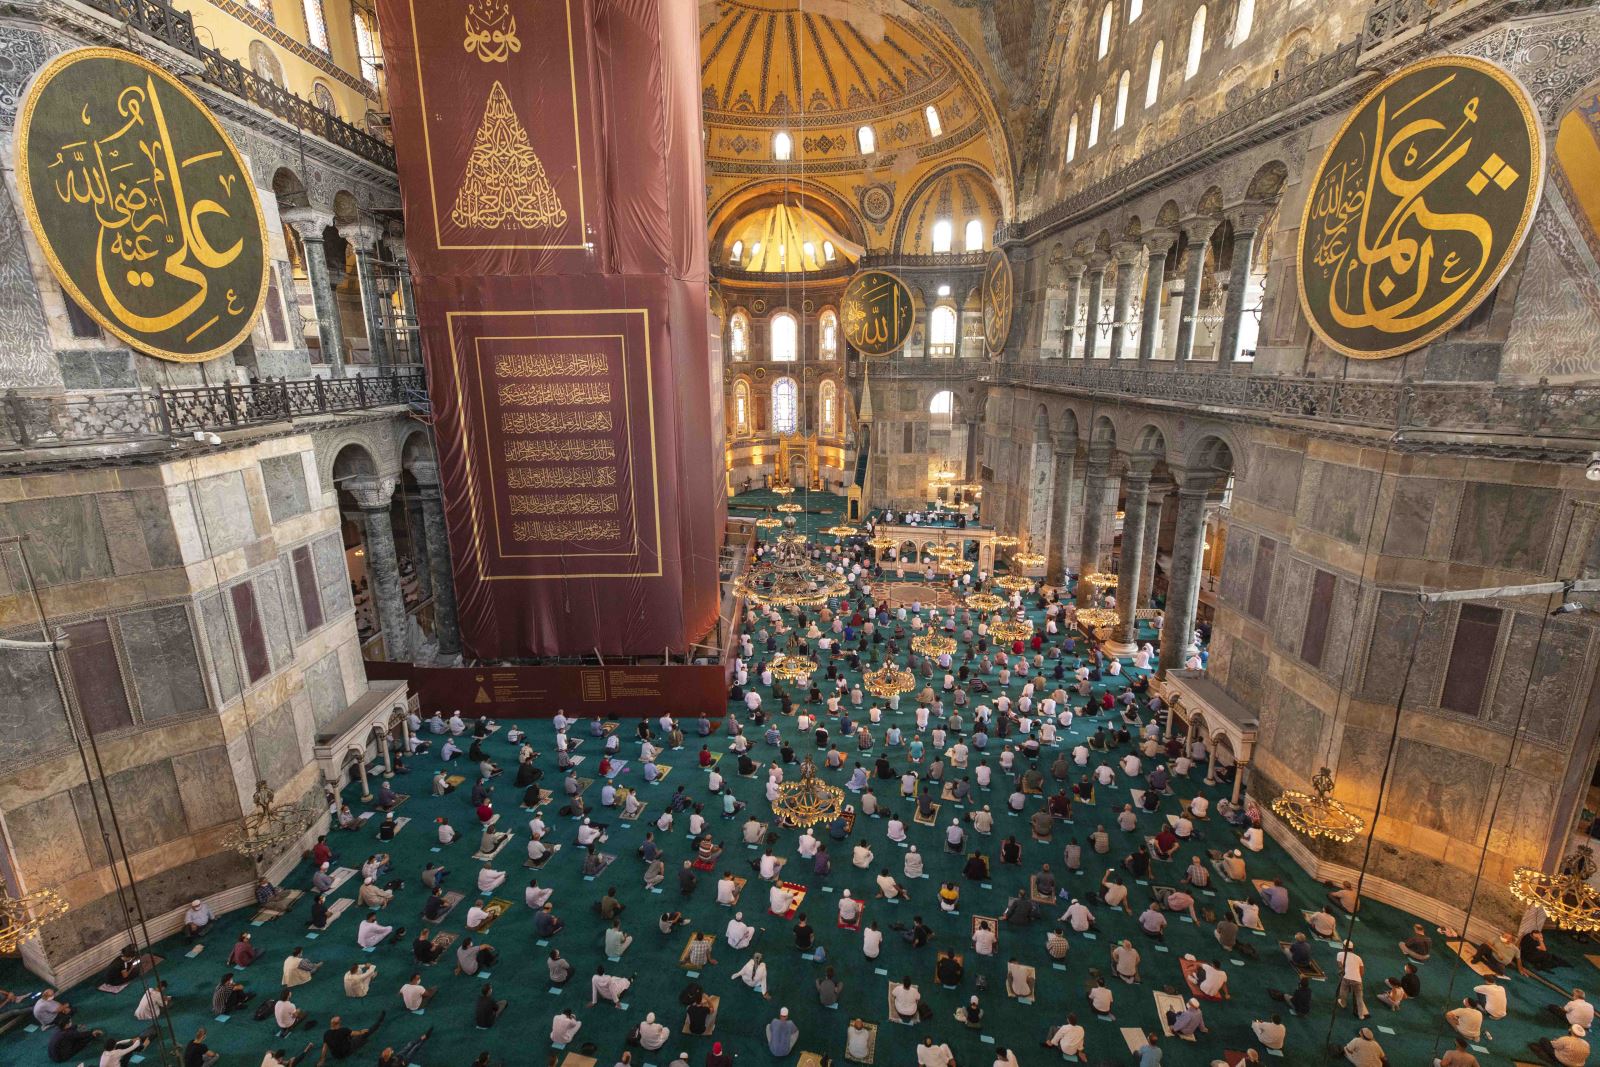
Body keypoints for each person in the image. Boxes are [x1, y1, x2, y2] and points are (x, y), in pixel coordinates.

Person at [316, 1012, 386, 1064]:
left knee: (348, 1037)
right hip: (347, 1051)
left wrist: (322, 1059)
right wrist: (362, 1031)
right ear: (339, 1023)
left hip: (336, 1056)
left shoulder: (326, 1034)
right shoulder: (344, 1030)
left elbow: (325, 1048)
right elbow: (357, 1033)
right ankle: (379, 1022)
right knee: (365, 1034)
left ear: (331, 1024)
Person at [1337, 942, 1369, 1020]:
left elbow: (1341, 967)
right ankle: (1361, 1015)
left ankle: (1343, 1003)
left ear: (1344, 947)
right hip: (1357, 980)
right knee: (1359, 997)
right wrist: (1356, 979)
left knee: (1343, 992)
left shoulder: (1340, 954)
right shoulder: (1358, 958)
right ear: (1352, 949)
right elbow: (1362, 972)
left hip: (1346, 977)